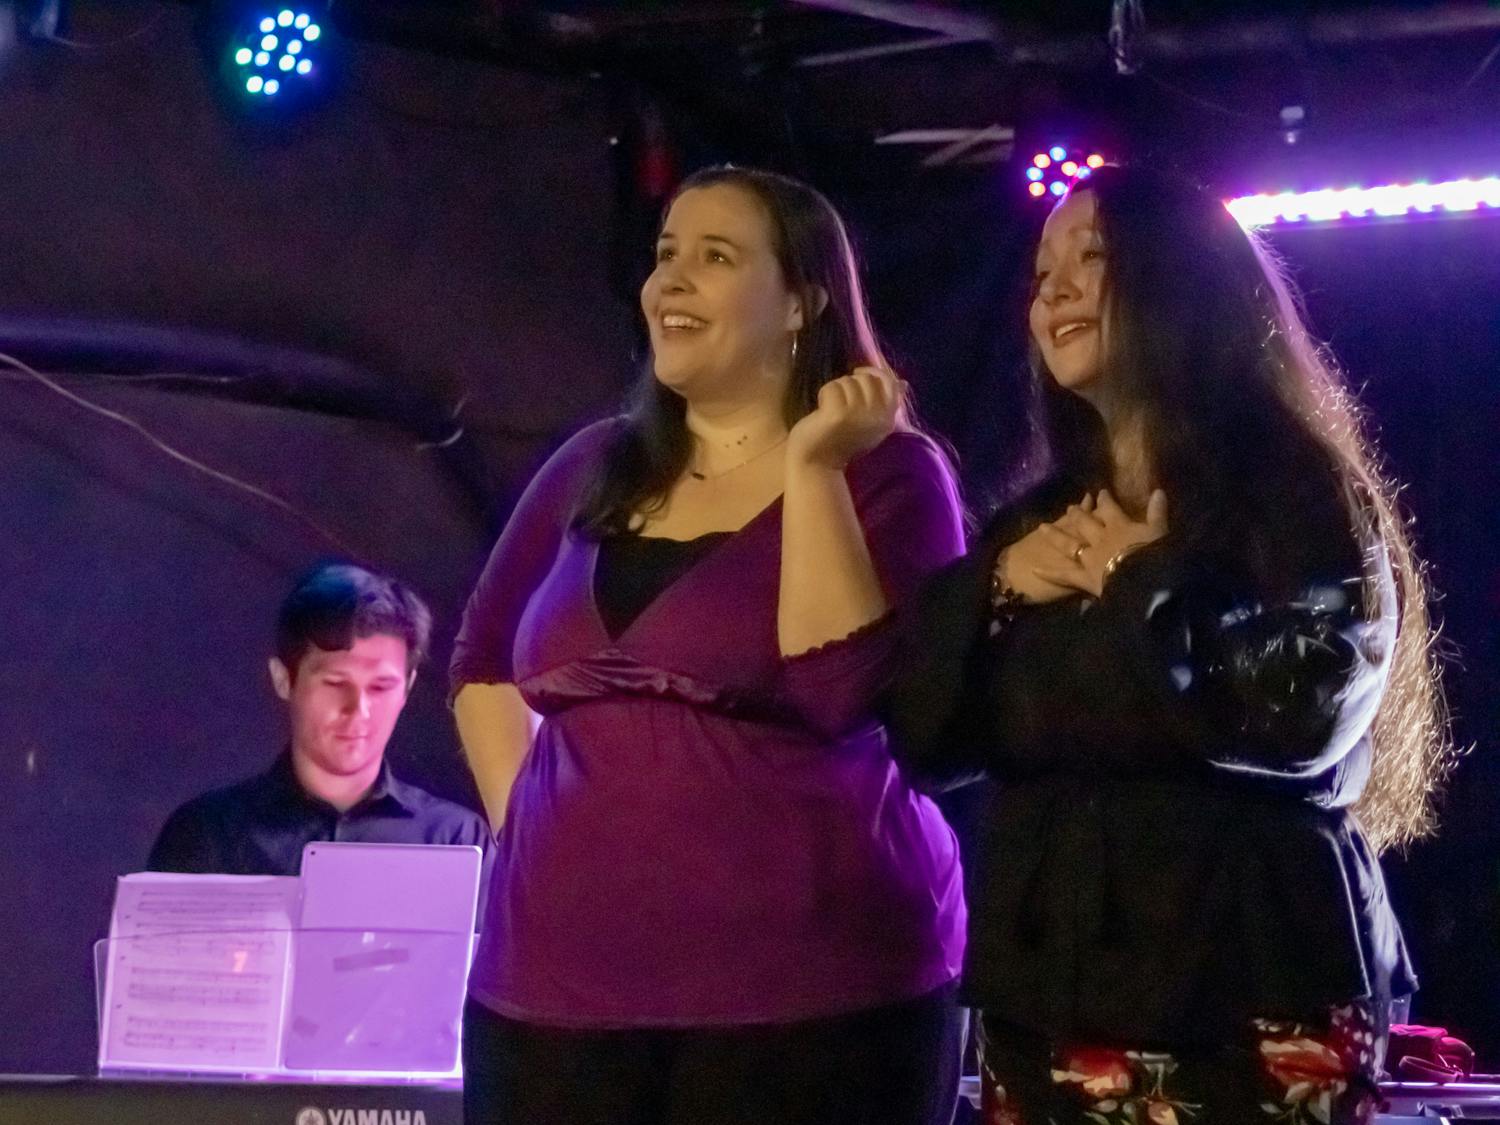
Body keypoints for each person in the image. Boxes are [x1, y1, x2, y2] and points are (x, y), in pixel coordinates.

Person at [887, 165, 1455, 1125]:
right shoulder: (1038, 524)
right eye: (1040, 272)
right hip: (1052, 998)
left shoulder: (1296, 493)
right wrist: (991, 587)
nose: (1053, 291)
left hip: (1244, 995)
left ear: (1181, 282)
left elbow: (1295, 721)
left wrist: (1141, 581)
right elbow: (922, 737)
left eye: (1093, 258)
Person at [451, 165, 968, 1125]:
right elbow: (482, 659)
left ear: (803, 301)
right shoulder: (591, 464)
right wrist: (527, 825)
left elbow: (843, 688)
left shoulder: (888, 473)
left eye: (715, 257)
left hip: (810, 992)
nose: (671, 282)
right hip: (554, 983)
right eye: (664, 256)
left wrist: (813, 464)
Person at [149, 561, 492, 877]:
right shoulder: (208, 834)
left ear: (407, 688)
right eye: (335, 683)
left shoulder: (457, 841)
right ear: (284, 679)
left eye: (381, 687)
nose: (359, 708)